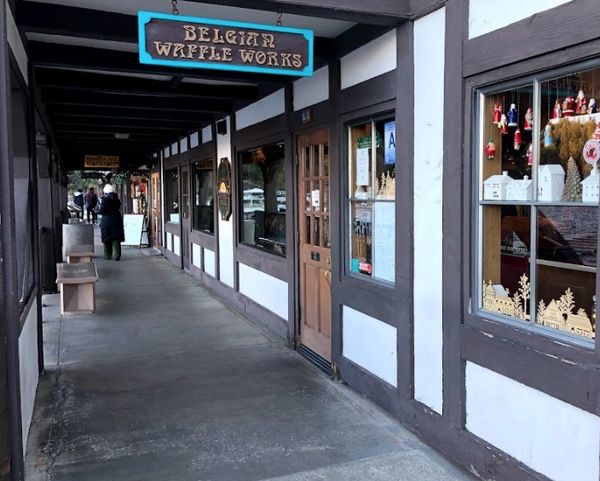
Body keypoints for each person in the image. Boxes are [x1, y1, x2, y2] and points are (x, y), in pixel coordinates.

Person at [99, 184, 125, 261]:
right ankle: (117, 254)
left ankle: (108, 255)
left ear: (105, 192)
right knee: (116, 238)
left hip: (107, 220)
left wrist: (97, 211)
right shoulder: (117, 199)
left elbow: (102, 210)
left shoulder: (105, 200)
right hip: (117, 220)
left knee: (107, 238)